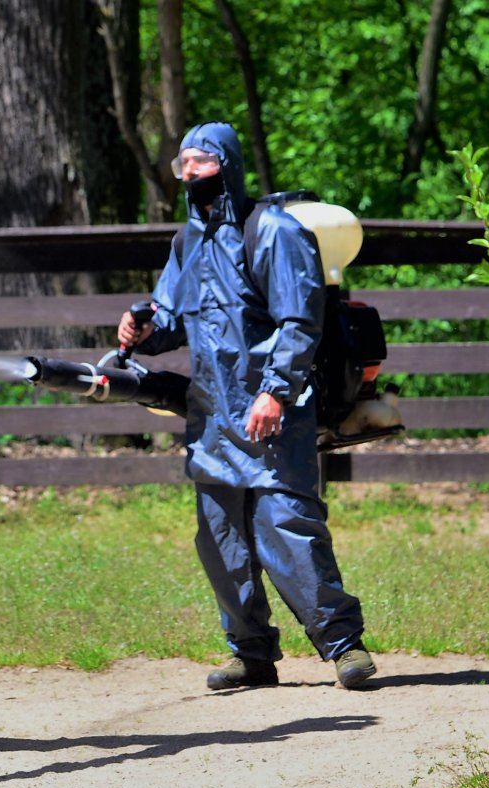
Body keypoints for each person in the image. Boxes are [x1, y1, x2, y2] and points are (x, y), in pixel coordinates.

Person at [117, 122, 377, 691]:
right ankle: (251, 654)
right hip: (212, 417)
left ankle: (343, 647)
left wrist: (274, 391)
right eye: (182, 165)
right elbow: (173, 318)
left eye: (200, 163)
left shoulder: (274, 233)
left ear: (226, 166)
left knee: (288, 528)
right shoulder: (189, 241)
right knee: (220, 540)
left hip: (271, 411)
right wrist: (143, 327)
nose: (189, 175)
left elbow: (299, 320)